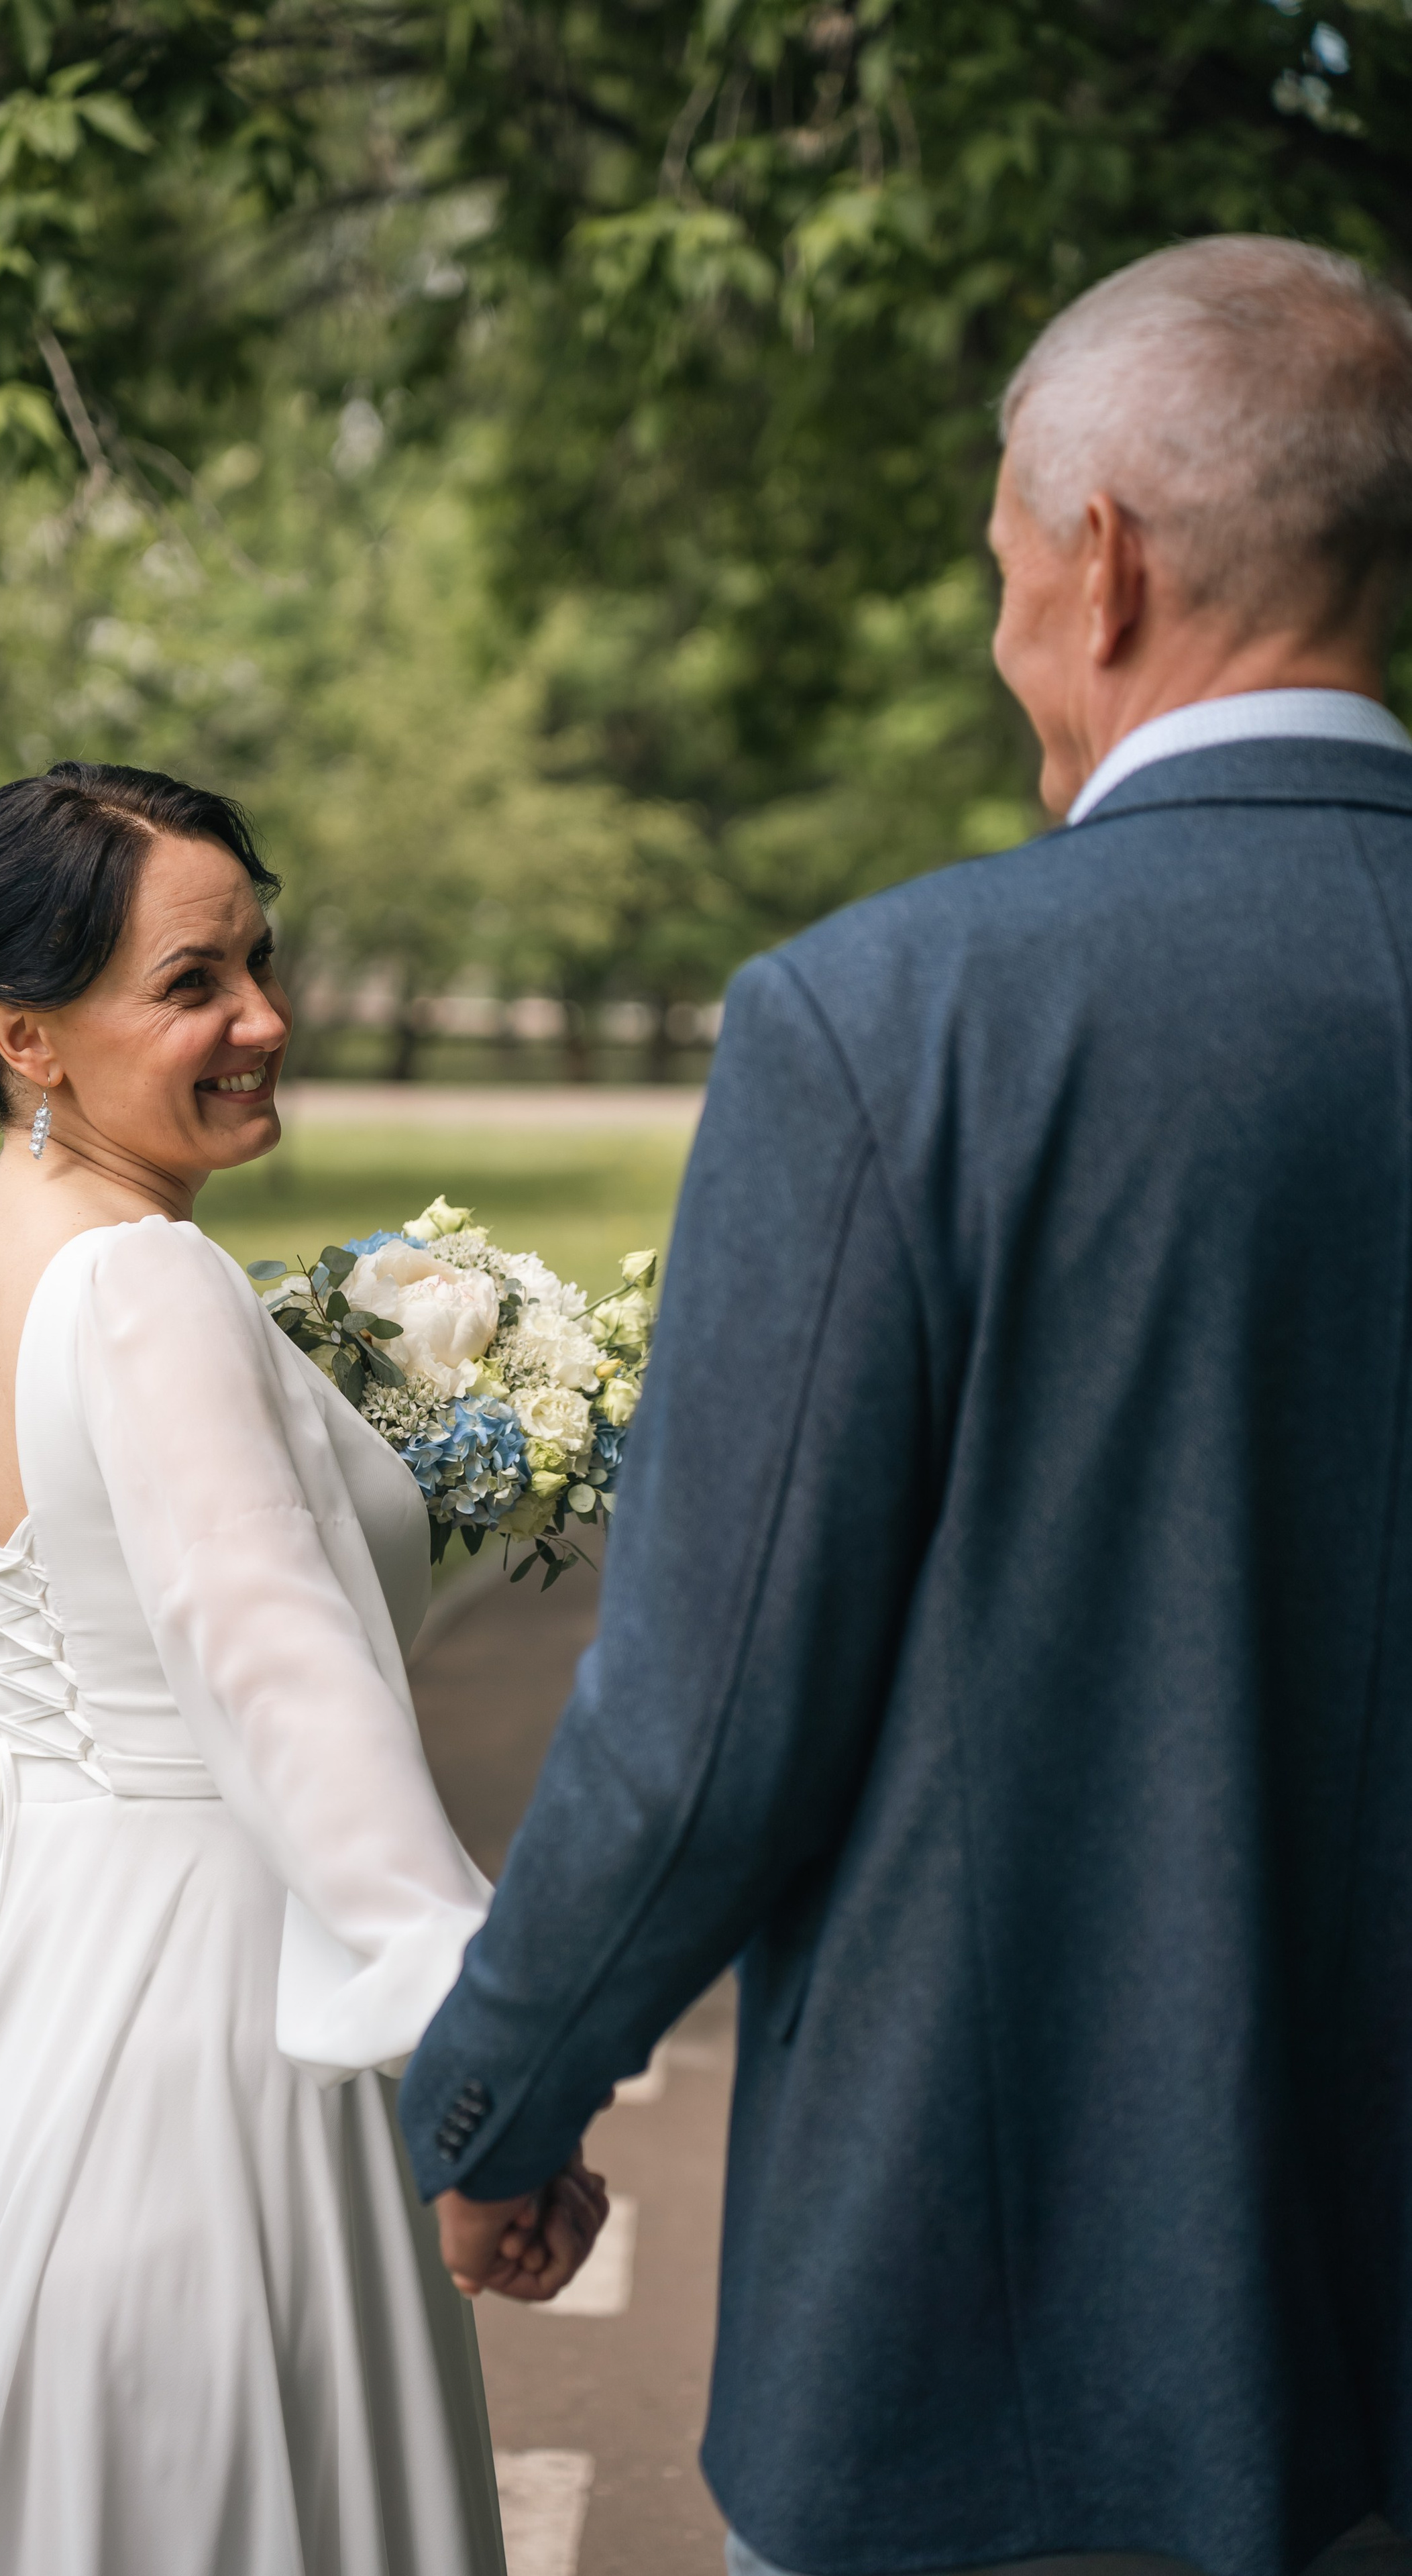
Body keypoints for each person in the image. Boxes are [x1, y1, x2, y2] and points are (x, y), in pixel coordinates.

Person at [399, 235, 1412, 2576]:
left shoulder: (898, 1021)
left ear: (1104, 564)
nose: (994, 645)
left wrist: (503, 2105)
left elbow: (705, 1711)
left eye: (994, 577)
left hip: (999, 2343)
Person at [0, 761, 604, 2576]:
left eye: (261, 962)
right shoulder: (143, 1286)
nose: (265, 1020)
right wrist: (482, 2073)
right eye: (194, 983)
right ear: (26, 1032)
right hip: (206, 2043)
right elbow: (287, 1693)